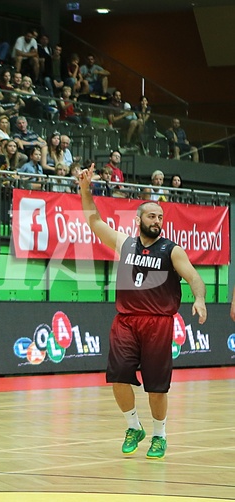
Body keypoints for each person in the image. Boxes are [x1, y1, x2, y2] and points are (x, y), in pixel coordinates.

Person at [78, 166, 206, 460]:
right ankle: (133, 426)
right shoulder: (125, 243)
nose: (157, 221)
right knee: (119, 377)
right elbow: (93, 221)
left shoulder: (171, 250)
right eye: (151, 216)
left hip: (159, 323)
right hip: (125, 320)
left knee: (156, 386)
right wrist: (86, 190)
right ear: (139, 220)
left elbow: (194, 277)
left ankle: (159, 435)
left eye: (160, 217)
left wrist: (199, 298)